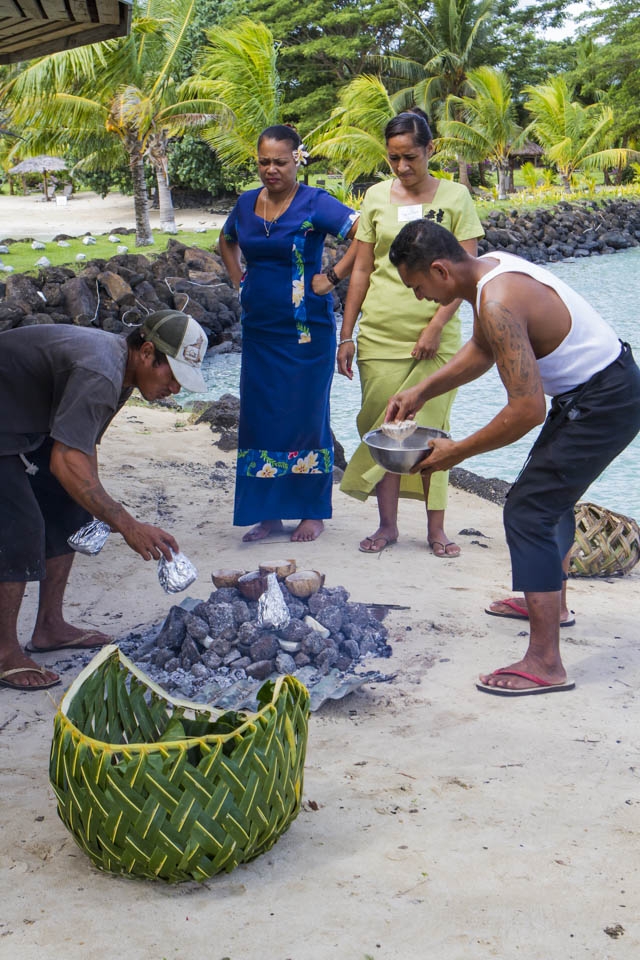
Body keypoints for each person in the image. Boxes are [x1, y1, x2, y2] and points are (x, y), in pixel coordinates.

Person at [385, 218, 640, 695]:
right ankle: (552, 602)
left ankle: (545, 662)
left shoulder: (498, 301)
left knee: (529, 509)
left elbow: (526, 409)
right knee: (548, 498)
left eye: (417, 286)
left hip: (605, 400)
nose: (419, 297)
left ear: (440, 271)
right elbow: (483, 349)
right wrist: (421, 390)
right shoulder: (491, 274)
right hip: (599, 391)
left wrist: (455, 452)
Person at [0, 309, 208, 692]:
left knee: (70, 507)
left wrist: (98, 506)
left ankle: (49, 626)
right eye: (173, 376)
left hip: (23, 423)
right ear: (147, 352)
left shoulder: (124, 372)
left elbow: (81, 447)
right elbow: (66, 460)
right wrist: (126, 523)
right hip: (7, 425)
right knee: (21, 526)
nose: (175, 389)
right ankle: (4, 651)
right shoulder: (102, 371)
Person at [338, 109, 483, 557]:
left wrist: (437, 325)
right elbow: (361, 268)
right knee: (384, 427)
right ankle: (387, 526)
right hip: (379, 334)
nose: (402, 167)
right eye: (394, 158)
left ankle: (436, 529)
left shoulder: (457, 197)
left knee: (431, 430)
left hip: (437, 338)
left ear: (430, 149)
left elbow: (467, 271)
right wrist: (346, 333)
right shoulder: (376, 197)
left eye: (411, 157)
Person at [219, 124, 359, 543]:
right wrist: (238, 281)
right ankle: (267, 515)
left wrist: (332, 277)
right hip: (260, 333)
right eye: (264, 161)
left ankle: (311, 512)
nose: (271, 170)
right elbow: (226, 241)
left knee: (305, 419)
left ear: (297, 158)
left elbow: (363, 234)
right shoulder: (245, 205)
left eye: (280, 161)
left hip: (306, 335)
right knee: (261, 421)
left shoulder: (314, 202)